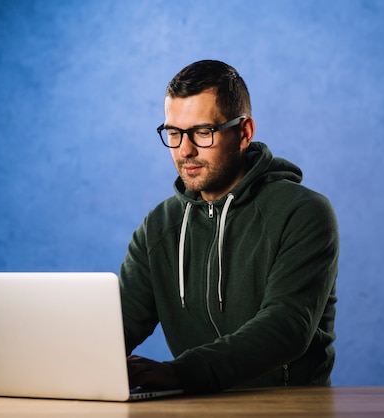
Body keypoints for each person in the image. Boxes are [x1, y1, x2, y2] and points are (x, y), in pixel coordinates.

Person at [120, 59, 339, 394]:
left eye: (202, 132)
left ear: (244, 132)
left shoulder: (302, 212)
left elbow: (286, 327)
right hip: (196, 407)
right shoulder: (159, 228)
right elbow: (118, 326)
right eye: (175, 133)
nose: (185, 150)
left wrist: (181, 374)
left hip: (289, 408)